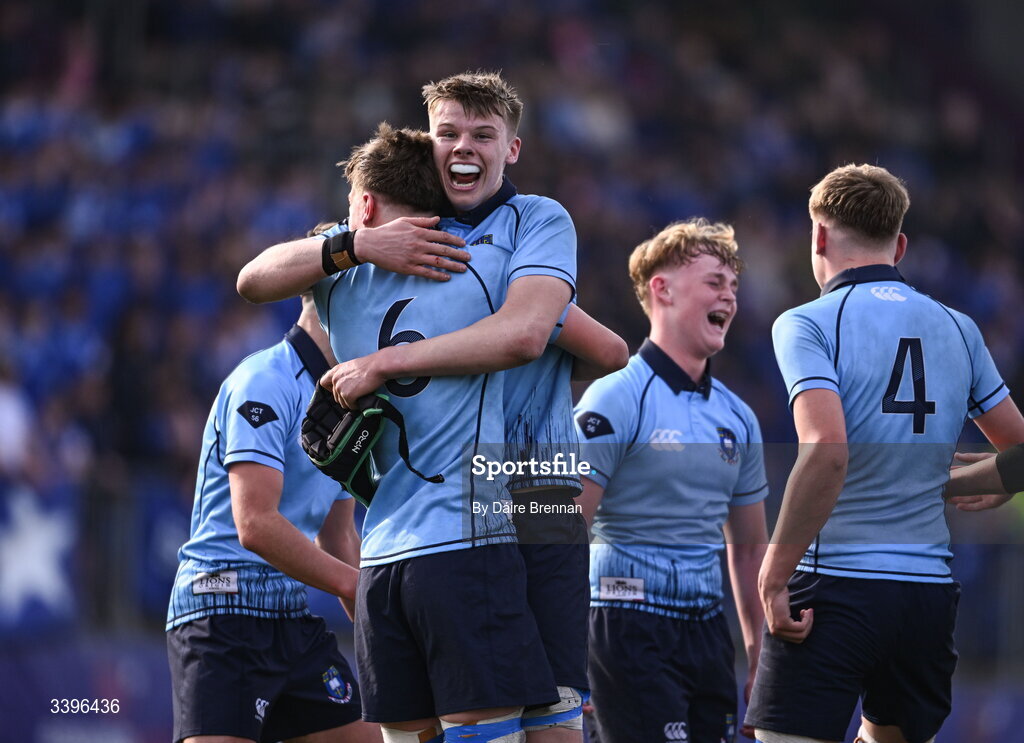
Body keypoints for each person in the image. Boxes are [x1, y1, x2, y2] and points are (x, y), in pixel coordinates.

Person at [239, 72, 621, 743]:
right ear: (432, 144)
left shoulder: (535, 220)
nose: (463, 147)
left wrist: (395, 358)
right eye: (449, 133)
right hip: (454, 524)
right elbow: (254, 275)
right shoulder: (393, 239)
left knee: (550, 714)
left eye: (482, 134)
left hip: (538, 495)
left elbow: (598, 346)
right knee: (502, 714)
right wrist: (357, 243)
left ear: (513, 149)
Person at [745, 164, 1024, 743]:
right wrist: (984, 480)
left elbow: (826, 449)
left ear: (818, 236)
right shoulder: (959, 327)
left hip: (834, 587)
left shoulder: (807, 323)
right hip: (925, 599)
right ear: (899, 245)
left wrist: (772, 575)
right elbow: (1021, 453)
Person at [166, 236, 380, 743]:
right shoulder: (265, 379)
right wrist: (355, 586)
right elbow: (255, 524)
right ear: (340, 298)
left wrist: (377, 634)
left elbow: (338, 535)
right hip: (221, 611)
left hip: (289, 615)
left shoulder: (346, 396)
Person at [572, 218, 768, 743]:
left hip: (707, 633)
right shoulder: (615, 397)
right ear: (662, 288)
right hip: (623, 624)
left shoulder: (740, 418)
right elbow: (565, 530)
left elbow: (749, 551)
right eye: (713, 281)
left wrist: (760, 657)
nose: (728, 293)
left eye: (733, 285)